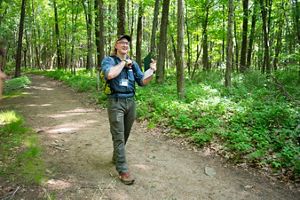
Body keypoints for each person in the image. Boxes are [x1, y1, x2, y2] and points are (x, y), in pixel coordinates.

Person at [101, 35, 156, 185]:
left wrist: (151, 71)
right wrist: (124, 62)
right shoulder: (109, 61)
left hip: (131, 102)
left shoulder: (134, 64)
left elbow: (142, 82)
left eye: (127, 43)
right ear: (116, 46)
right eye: (122, 43)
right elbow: (110, 74)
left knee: (125, 134)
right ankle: (123, 170)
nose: (125, 45)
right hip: (115, 102)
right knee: (118, 135)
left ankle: (116, 157)